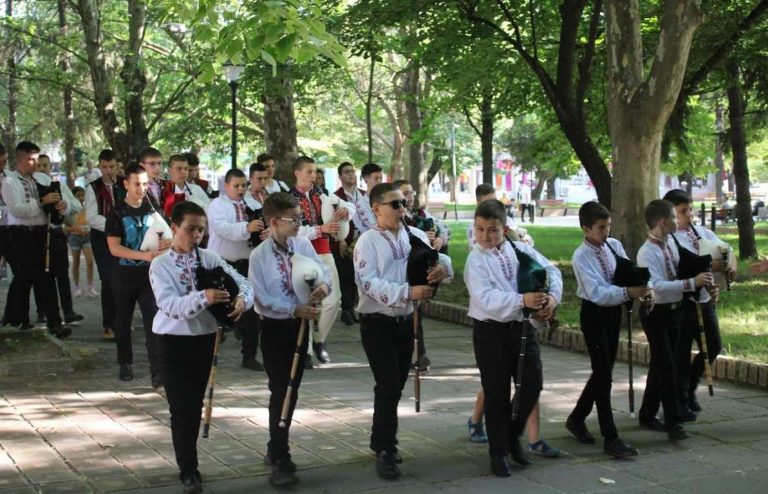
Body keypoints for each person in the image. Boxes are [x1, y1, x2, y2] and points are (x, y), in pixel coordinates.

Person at [149, 200, 252, 494]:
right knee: (181, 407)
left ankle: (189, 463)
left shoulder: (210, 258)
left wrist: (241, 300)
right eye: (190, 229)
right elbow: (169, 304)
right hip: (172, 342)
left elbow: (243, 283)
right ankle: (188, 470)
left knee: (194, 405)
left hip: (204, 340)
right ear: (174, 227)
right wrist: (204, 297)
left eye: (201, 230)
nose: (196, 236)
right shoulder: (160, 264)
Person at [354, 182, 452, 480]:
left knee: (395, 384)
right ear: (376, 208)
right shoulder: (367, 242)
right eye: (395, 204)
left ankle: (379, 438)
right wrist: (408, 292)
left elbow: (440, 259)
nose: (402, 209)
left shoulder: (415, 235)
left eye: (403, 203)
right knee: (387, 384)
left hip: (407, 321)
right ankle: (387, 448)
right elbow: (368, 284)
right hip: (377, 322)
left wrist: (442, 268)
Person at [465, 199, 562, 477]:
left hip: (521, 328)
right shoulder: (476, 259)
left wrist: (550, 299)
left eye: (492, 230)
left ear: (505, 229)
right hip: (491, 332)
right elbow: (485, 298)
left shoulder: (520, 249)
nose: (485, 236)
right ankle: (498, 452)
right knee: (496, 392)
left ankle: (511, 435)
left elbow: (552, 271)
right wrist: (522, 300)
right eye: (480, 229)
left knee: (532, 383)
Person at [249, 192, 331, 487]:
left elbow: (322, 273)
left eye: (301, 218)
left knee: (292, 389)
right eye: (293, 219)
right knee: (280, 389)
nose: (299, 223)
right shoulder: (259, 256)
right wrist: (292, 309)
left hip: (301, 325)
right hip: (275, 327)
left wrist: (323, 287)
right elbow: (260, 299)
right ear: (274, 222)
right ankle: (281, 456)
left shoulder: (303, 245)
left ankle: (276, 445)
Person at [567, 201, 646, 458]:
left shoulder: (614, 246)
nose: (606, 231)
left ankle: (576, 418)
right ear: (586, 229)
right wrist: (627, 292)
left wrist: (642, 285)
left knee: (604, 372)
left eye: (608, 226)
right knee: (603, 376)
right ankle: (610, 437)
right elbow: (598, 292)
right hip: (594, 315)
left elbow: (627, 270)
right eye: (601, 227)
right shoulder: (581, 256)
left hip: (613, 313)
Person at [636, 199, 713, 441]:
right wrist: (691, 283)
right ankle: (674, 422)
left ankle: (647, 413)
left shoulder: (671, 242)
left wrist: (705, 280)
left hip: (674, 312)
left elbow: (685, 267)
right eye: (672, 216)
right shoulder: (646, 252)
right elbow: (657, 286)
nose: (677, 220)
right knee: (667, 365)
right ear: (662, 221)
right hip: (655, 313)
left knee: (661, 364)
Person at [664, 189, 731, 416]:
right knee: (681, 353)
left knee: (713, 345)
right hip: (685, 302)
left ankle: (691, 386)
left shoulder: (702, 232)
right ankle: (680, 398)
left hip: (705, 300)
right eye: (683, 211)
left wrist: (727, 265)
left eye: (690, 210)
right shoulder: (670, 239)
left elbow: (725, 252)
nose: (689, 215)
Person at [0, 141, 72, 337]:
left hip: (42, 233)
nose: (36, 164)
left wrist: (61, 205)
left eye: (37, 159)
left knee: (46, 277)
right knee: (23, 277)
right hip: (20, 234)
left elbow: (60, 196)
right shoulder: (10, 182)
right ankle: (20, 320)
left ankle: (55, 323)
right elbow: (17, 209)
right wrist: (41, 202)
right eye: (31, 160)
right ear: (20, 159)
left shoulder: (41, 178)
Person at [106, 163, 170, 384]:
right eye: (137, 184)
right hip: (123, 275)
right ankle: (125, 363)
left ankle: (157, 370)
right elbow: (114, 248)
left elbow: (166, 235)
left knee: (153, 320)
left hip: (149, 276)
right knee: (122, 320)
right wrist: (143, 255)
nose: (141, 189)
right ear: (126, 184)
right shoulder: (116, 212)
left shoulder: (153, 209)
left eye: (145, 184)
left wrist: (166, 244)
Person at [291, 156, 354, 366]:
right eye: (308, 171)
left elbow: (349, 206)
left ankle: (319, 339)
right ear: (297, 173)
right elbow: (293, 230)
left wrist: (346, 211)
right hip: (302, 256)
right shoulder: (288, 199)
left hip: (325, 253)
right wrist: (320, 230)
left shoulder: (323, 194)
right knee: (306, 301)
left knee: (333, 300)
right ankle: (306, 350)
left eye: (315, 171)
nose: (313, 175)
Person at [206, 168, 266, 371]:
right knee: (218, 308)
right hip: (222, 263)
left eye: (243, 185)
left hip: (247, 263)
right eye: (236, 186)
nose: (241, 189)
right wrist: (246, 228)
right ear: (226, 186)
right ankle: (209, 353)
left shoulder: (253, 204)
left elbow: (263, 228)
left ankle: (249, 355)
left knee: (251, 310)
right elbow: (222, 229)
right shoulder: (217, 205)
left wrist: (263, 232)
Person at [36, 154, 84, 327]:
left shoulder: (59, 185)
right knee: (42, 276)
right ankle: (42, 312)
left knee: (62, 274)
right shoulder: (33, 185)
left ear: (50, 167)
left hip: (57, 233)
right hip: (39, 234)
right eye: (39, 165)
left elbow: (77, 205)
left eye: (45, 165)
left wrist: (65, 205)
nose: (42, 168)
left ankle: (68, 312)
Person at [85, 149, 126, 338]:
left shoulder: (125, 184)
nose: (108, 171)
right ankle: (109, 324)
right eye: (104, 167)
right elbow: (91, 217)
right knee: (108, 280)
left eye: (111, 167)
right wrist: (114, 225)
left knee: (123, 280)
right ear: (99, 167)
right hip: (102, 239)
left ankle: (122, 321)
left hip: (125, 238)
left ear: (117, 166)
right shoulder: (93, 187)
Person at [334, 162, 375, 326]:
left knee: (361, 274)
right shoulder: (336, 197)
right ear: (340, 176)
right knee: (346, 275)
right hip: (346, 240)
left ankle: (358, 307)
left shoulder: (365, 195)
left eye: (352, 171)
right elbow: (334, 219)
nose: (351, 174)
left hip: (365, 240)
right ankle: (347, 309)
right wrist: (341, 240)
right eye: (347, 172)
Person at [65, 187, 95, 298]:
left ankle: (90, 287)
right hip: (74, 237)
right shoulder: (70, 210)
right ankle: (77, 287)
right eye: (78, 196)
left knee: (90, 261)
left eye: (83, 195)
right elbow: (65, 227)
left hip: (87, 236)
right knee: (76, 263)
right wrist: (74, 229)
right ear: (73, 197)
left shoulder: (88, 208)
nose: (81, 198)